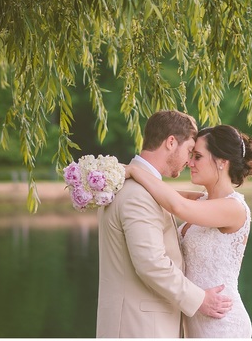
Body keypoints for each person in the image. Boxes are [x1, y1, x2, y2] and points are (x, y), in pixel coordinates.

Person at [96, 110, 233, 338]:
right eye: (189, 150)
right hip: (139, 327)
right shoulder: (138, 195)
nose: (189, 161)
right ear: (171, 142)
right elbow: (151, 263)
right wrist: (200, 300)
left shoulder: (134, 186)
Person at [125, 124, 252, 338]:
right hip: (195, 318)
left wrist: (134, 170)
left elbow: (178, 206)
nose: (189, 163)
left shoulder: (233, 208)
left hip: (221, 322)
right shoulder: (203, 200)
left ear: (222, 162)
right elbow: (168, 195)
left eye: (197, 156)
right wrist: (129, 184)